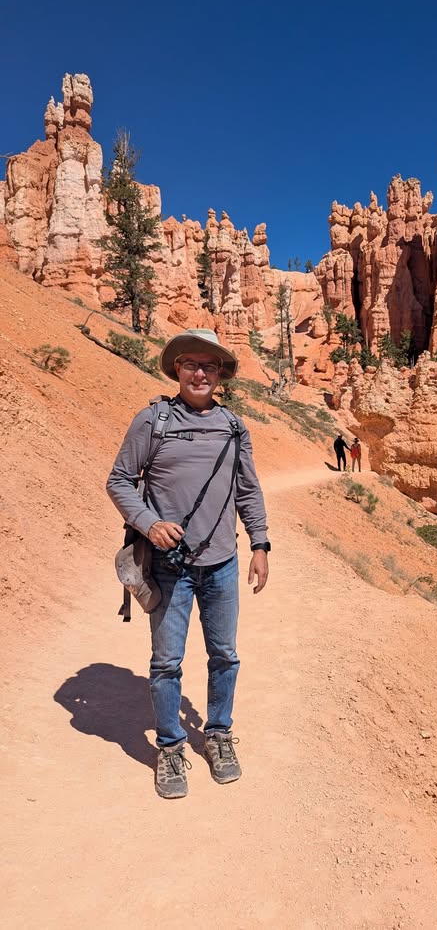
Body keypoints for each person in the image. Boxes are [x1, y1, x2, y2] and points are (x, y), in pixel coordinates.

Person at [107, 329, 270, 799]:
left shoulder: (234, 426)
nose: (200, 373)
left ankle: (218, 735)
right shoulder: (152, 421)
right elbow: (119, 481)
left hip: (221, 564)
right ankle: (171, 746)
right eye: (191, 364)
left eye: (210, 366)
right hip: (168, 566)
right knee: (166, 663)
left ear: (220, 375)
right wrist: (148, 522)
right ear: (176, 368)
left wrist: (260, 544)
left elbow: (248, 491)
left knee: (225, 655)